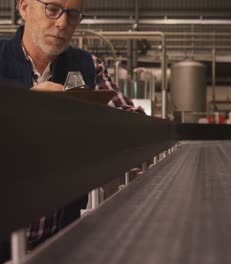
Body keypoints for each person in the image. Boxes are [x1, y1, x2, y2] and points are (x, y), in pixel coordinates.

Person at [0, 0, 142, 261]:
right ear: (24, 8)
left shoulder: (87, 66)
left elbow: (134, 127)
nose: (62, 22)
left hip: (61, 242)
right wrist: (25, 105)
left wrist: (88, 116)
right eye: (52, 9)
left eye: (73, 14)